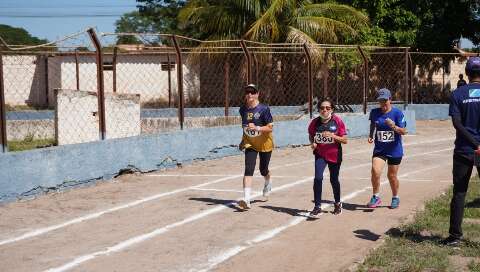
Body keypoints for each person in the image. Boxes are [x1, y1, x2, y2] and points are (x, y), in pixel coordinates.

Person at [443, 56, 480, 246]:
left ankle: (455, 237)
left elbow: (457, 124)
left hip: (464, 149)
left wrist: (474, 143)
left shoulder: (458, 94)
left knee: (459, 193)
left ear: (466, 72)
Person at [367, 88, 407, 209]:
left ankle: (395, 197)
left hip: (394, 150)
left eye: (385, 100)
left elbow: (404, 131)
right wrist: (370, 135)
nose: (383, 103)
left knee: (392, 176)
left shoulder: (397, 113)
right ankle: (376, 196)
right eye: (380, 101)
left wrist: (393, 126)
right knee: (375, 171)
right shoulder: (374, 112)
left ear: (390, 100)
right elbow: (373, 124)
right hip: (380, 149)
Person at [307, 98, 348, 216]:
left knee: (334, 179)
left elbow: (345, 140)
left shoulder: (337, 121)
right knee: (318, 178)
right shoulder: (315, 122)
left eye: (327, 108)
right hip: (320, 154)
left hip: (334, 155)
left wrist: (333, 136)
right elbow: (311, 135)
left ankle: (338, 203)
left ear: (332, 110)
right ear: (319, 110)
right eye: (322, 108)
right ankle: (317, 206)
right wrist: (313, 143)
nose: (324, 110)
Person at [238, 84, 274, 209]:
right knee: (249, 168)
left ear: (257, 94)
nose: (250, 94)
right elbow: (245, 127)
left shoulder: (264, 109)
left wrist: (257, 127)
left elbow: (270, 128)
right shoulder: (242, 109)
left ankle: (268, 182)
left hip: (265, 144)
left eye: (252, 92)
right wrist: (243, 140)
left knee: (263, 169)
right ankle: (246, 199)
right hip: (250, 143)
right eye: (247, 92)